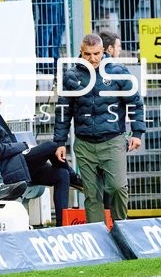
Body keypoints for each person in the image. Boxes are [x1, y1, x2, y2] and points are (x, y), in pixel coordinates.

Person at [54, 33, 145, 223]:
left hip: (113, 140)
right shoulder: (71, 75)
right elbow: (63, 110)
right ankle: (98, 236)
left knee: (117, 186)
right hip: (84, 143)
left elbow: (135, 102)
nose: (92, 58)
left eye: (96, 53)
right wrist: (60, 142)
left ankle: (122, 227)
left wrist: (137, 133)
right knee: (91, 194)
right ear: (81, 52)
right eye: (87, 54)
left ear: (103, 51)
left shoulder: (118, 71)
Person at [0, 82, 78, 226]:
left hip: (18, 163)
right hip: (6, 167)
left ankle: (62, 226)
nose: (1, 100)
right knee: (51, 146)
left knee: (61, 174)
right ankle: (75, 179)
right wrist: (22, 146)